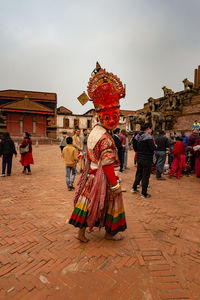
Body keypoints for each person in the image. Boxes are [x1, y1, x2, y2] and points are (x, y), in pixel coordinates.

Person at [69, 63, 127, 242]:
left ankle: (82, 232)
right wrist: (115, 185)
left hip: (91, 175)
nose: (112, 120)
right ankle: (110, 232)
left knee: (87, 203)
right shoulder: (106, 139)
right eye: (111, 117)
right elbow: (108, 164)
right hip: (104, 177)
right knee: (108, 204)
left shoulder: (94, 132)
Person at [131, 123, 156, 198]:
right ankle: (144, 193)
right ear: (148, 128)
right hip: (147, 158)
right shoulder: (148, 137)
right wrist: (155, 146)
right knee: (146, 175)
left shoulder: (137, 136)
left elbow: (135, 148)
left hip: (139, 157)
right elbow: (152, 148)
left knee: (139, 173)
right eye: (150, 129)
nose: (151, 130)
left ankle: (134, 188)